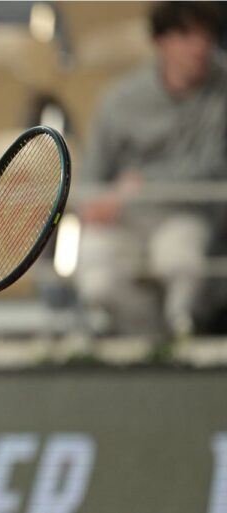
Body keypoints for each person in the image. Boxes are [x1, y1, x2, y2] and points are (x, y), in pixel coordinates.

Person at [75, 1, 227, 339]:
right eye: (186, 35)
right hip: (125, 222)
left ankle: (182, 331)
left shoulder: (223, 90)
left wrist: (140, 186)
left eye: (207, 35)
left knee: (181, 259)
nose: (199, 46)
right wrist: (95, 205)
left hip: (191, 217)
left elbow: (214, 169)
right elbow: (92, 179)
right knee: (96, 276)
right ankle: (157, 343)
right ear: (160, 41)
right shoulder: (120, 99)